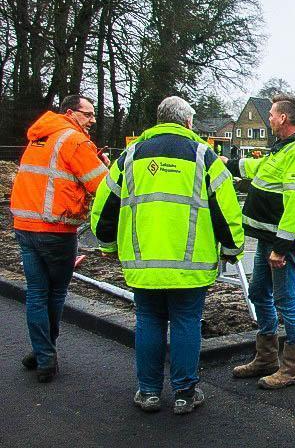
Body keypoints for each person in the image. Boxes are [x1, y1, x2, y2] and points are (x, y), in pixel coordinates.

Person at [91, 96, 244, 414]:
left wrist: (107, 244)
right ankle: (185, 394)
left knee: (148, 320)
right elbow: (226, 210)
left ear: (159, 121)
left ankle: (148, 392)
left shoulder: (130, 156)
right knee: (187, 321)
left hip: (144, 262)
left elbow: (105, 204)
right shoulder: (204, 156)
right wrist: (232, 248)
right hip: (190, 264)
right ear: (188, 122)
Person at [223, 93, 295, 389]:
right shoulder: (282, 149)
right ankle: (266, 357)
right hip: (268, 238)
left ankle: (293, 368)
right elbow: (259, 171)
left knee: (287, 301)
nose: (270, 119)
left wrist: (281, 247)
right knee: (258, 293)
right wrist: (227, 163)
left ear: (285, 118)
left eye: (273, 115)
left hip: (281, 243)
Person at [10, 95, 109, 383]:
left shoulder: (41, 136)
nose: (92, 120)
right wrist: (105, 163)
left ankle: (42, 351)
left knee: (37, 293)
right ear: (70, 112)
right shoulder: (74, 141)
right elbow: (103, 186)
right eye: (88, 114)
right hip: (56, 230)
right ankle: (45, 355)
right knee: (54, 293)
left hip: (25, 226)